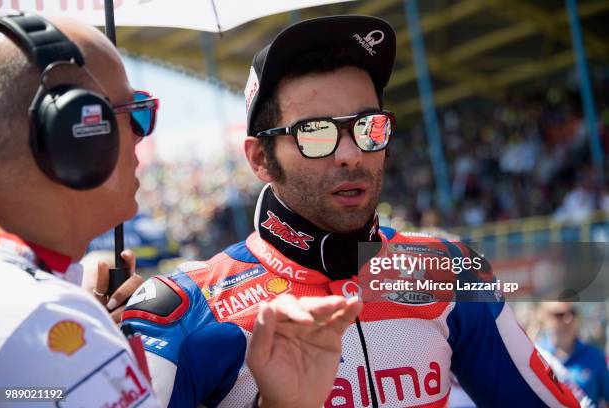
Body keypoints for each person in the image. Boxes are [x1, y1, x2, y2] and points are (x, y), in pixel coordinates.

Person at [124, 15, 580, 407]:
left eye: (368, 126)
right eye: (316, 132)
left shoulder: (448, 270)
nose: (351, 154)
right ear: (260, 159)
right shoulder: (185, 311)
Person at [0, 13, 361, 408]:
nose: (143, 133)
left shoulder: (40, 311)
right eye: (135, 112)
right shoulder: (48, 322)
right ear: (75, 134)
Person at [537, 302, 609, 407]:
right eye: (559, 315)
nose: (568, 319)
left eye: (572, 313)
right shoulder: (536, 354)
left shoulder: (595, 356)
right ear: (544, 319)